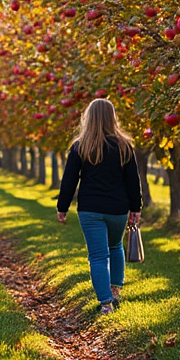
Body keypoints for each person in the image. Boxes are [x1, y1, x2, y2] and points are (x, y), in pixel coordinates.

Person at [56, 99, 143, 314]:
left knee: (97, 256)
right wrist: (136, 207)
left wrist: (62, 207)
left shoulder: (80, 146)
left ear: (89, 117)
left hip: (90, 208)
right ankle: (115, 292)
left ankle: (105, 304)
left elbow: (69, 180)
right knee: (115, 247)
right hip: (118, 208)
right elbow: (134, 180)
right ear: (113, 117)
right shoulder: (124, 146)